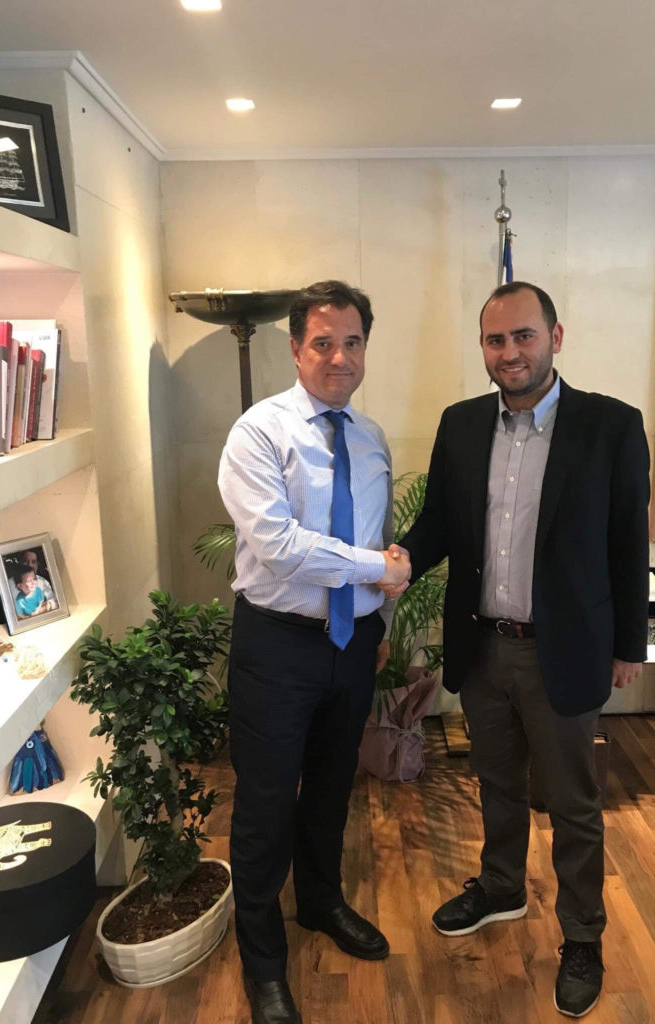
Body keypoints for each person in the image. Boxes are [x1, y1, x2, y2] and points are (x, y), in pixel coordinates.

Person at [385, 281, 650, 1018]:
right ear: (483, 347)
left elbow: (628, 542)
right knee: (496, 782)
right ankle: (501, 888)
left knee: (573, 804)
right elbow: (440, 522)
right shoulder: (462, 423)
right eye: (495, 340)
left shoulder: (610, 425)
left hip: (564, 650)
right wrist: (398, 560)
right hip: (483, 647)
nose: (510, 352)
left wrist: (629, 644)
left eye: (524, 336)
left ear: (555, 338)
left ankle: (583, 936)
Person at [218, 280, 411, 1024]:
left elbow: (380, 541)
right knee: (266, 804)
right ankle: (264, 960)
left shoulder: (371, 437)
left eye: (352, 342)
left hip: (350, 644)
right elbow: (279, 546)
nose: (340, 357)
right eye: (323, 343)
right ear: (296, 348)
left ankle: (321, 903)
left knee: (333, 788)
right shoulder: (258, 433)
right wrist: (375, 572)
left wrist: (378, 623)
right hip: (277, 646)